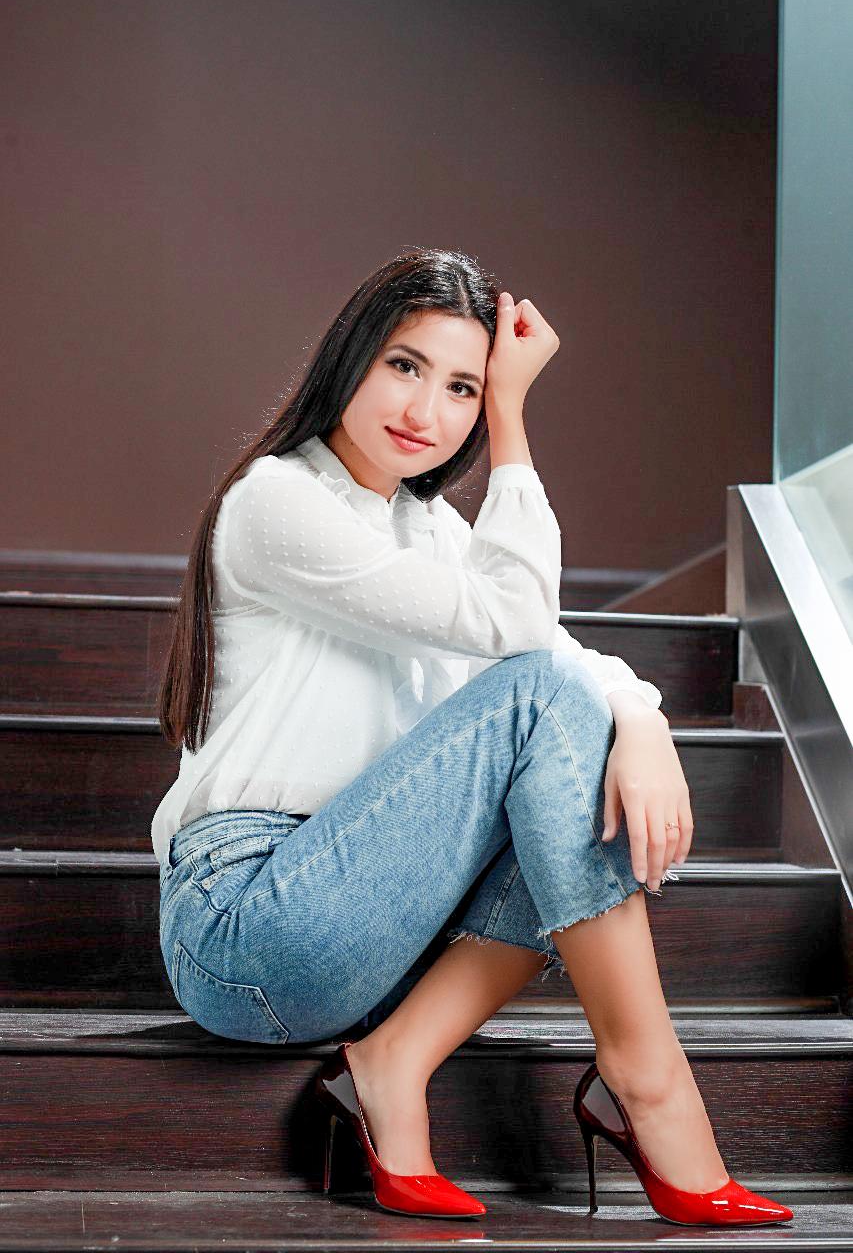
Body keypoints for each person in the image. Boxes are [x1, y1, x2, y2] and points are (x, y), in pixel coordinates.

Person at [153, 247, 793, 1227]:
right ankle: (646, 1077)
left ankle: (395, 1059)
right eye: (404, 365)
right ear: (350, 357)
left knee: (566, 755)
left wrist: (642, 720)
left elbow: (560, 653)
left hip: (373, 922)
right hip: (248, 926)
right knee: (542, 703)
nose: (426, 409)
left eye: (463, 387)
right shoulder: (276, 501)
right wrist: (511, 416)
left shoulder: (428, 532)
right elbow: (523, 634)